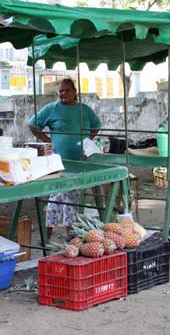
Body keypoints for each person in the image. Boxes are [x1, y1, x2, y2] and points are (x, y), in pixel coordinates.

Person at [28, 78, 101, 241]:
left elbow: (96, 125)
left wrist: (88, 141)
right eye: (61, 91)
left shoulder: (84, 110)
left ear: (75, 92)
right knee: (56, 196)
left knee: (73, 198)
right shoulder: (51, 109)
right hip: (58, 162)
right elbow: (33, 125)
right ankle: (47, 234)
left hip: (79, 161)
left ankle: (70, 232)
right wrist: (48, 140)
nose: (64, 94)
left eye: (68, 90)